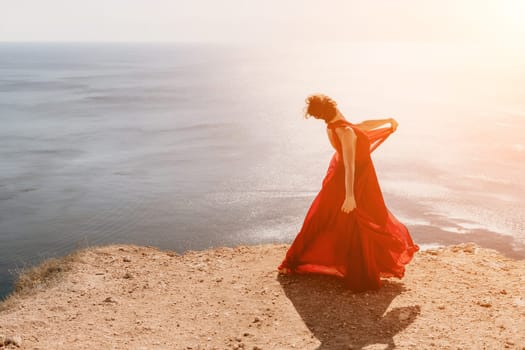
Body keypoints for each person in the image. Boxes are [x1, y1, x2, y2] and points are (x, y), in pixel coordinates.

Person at [278, 94, 419, 292]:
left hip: (349, 179)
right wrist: (350, 195)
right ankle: (353, 269)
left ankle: (302, 261)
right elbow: (349, 165)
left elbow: (363, 125)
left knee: (330, 218)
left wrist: (388, 121)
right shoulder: (345, 131)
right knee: (359, 220)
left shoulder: (337, 126)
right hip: (354, 181)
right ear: (333, 106)